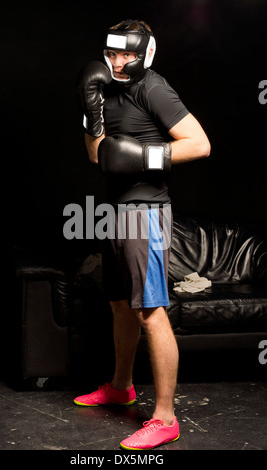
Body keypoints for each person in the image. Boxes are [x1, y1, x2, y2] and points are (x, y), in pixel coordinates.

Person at [75, 19, 211, 450]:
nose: (116, 63)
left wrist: (145, 156)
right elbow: (97, 155)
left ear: (143, 55)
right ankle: (121, 387)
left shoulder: (153, 88)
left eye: (126, 55)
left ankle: (165, 418)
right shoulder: (99, 87)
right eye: (111, 54)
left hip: (146, 212)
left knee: (150, 310)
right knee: (119, 304)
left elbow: (200, 143)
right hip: (113, 211)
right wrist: (92, 108)